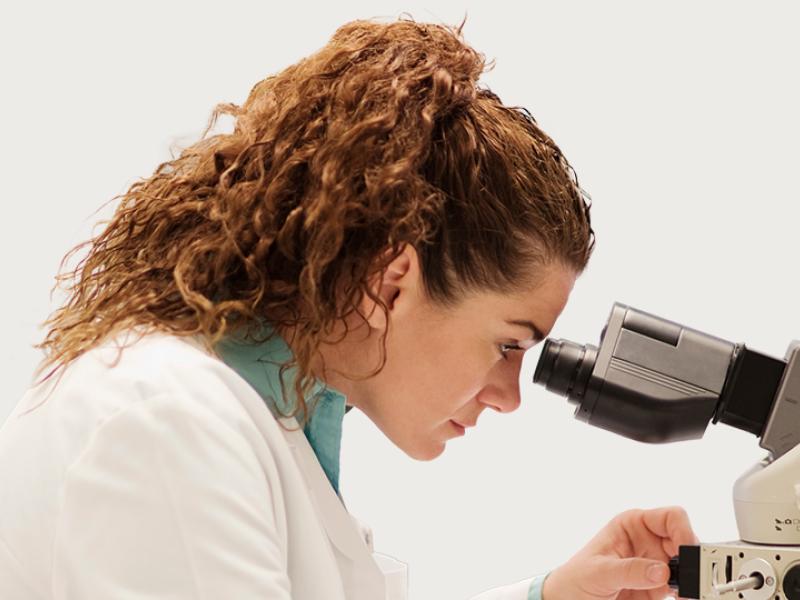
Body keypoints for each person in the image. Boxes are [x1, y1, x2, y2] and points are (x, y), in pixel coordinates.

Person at [0, 15, 697, 600]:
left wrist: (549, 598)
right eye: (509, 343)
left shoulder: (265, 419)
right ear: (390, 283)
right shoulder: (167, 423)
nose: (510, 397)